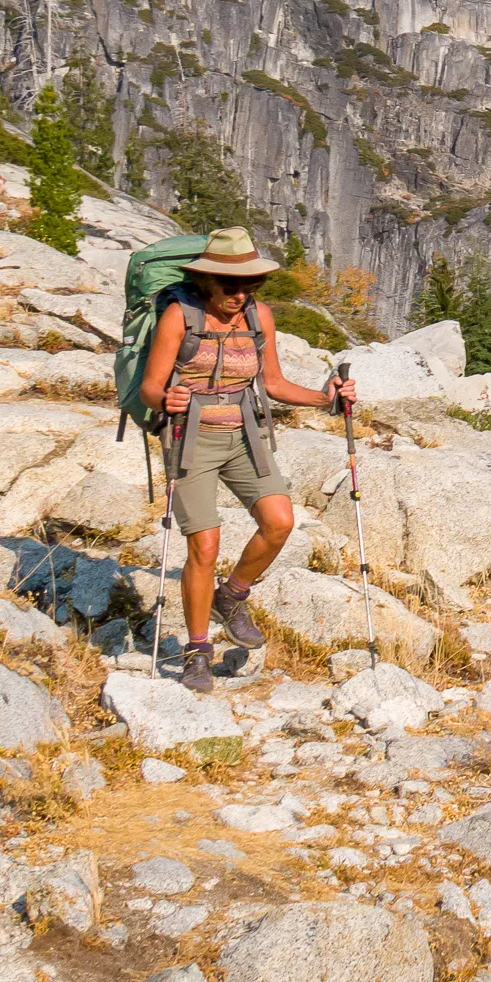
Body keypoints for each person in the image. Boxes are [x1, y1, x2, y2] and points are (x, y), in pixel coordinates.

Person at [136, 226, 358, 690]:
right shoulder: (180, 316)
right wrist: (166, 401)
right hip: (190, 436)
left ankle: (232, 596)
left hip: (244, 434)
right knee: (205, 546)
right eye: (230, 287)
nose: (240, 295)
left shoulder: (259, 318)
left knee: (279, 522)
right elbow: (151, 387)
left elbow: (273, 384)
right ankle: (197, 649)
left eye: (249, 287)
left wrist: (327, 399)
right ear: (206, 282)